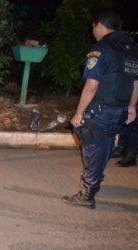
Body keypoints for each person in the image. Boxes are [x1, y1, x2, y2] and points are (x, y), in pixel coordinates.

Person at [62, 9, 138, 209]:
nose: (93, 32)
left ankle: (87, 193)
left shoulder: (101, 49)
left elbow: (92, 85)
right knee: (104, 147)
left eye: (93, 27)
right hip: (120, 109)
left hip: (101, 109)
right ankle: (94, 181)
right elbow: (136, 83)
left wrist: (78, 113)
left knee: (92, 148)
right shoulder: (131, 49)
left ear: (99, 25)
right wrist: (131, 107)